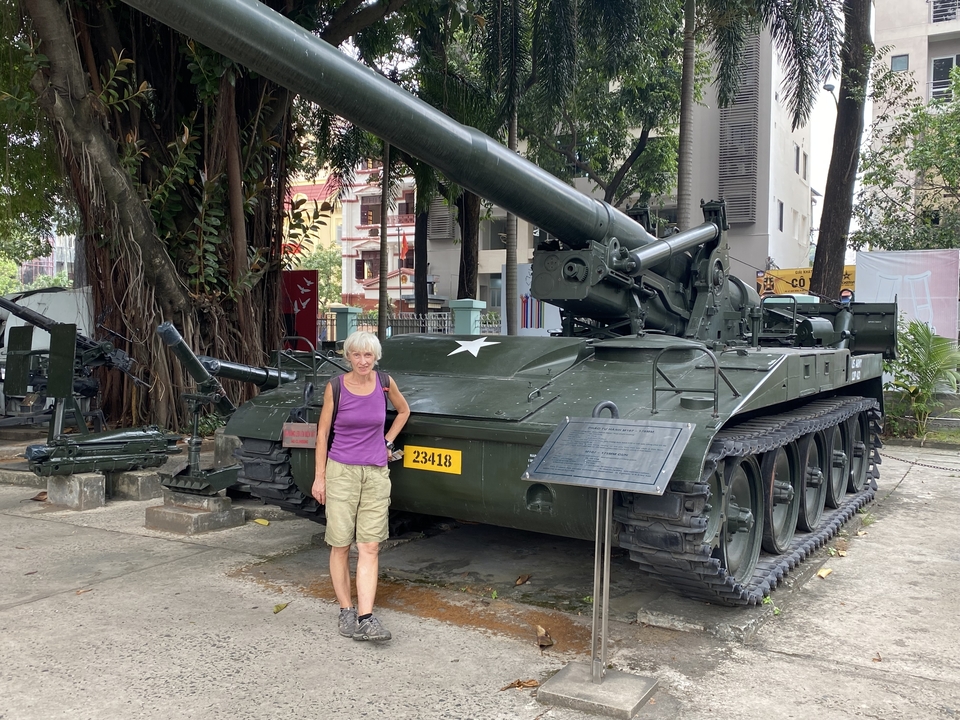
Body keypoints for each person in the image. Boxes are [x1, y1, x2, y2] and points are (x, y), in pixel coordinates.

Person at [312, 331, 410, 642]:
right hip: (341, 471)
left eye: (368, 355)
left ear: (376, 357)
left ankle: (366, 616)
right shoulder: (336, 387)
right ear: (348, 357)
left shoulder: (384, 383)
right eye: (357, 355)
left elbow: (404, 411)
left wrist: (387, 441)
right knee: (340, 543)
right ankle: (345, 610)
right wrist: (320, 476)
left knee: (369, 545)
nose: (363, 360)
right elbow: (322, 434)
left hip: (376, 472)